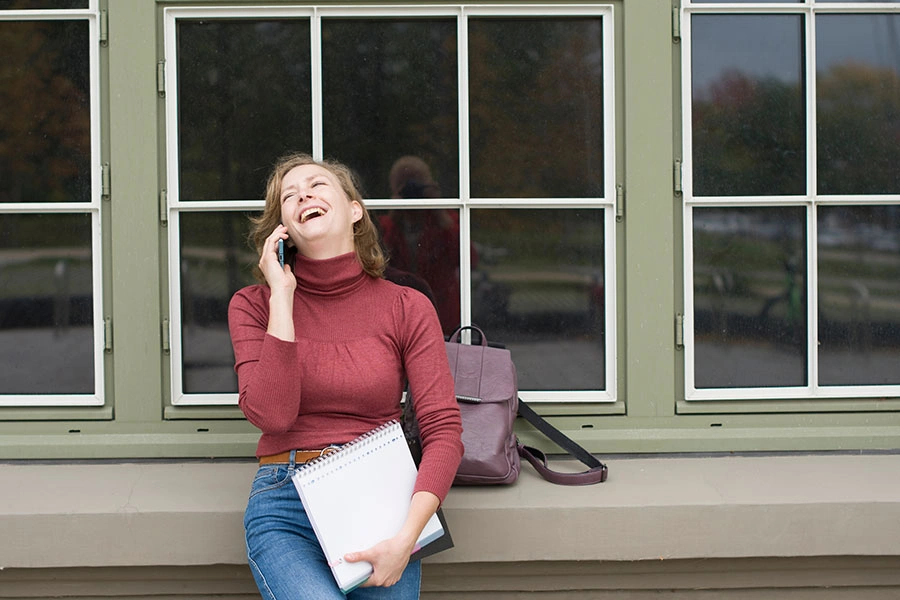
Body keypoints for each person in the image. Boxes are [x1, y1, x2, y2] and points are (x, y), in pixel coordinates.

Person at [228, 152, 464, 600]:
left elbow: (444, 430)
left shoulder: (406, 306)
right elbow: (273, 416)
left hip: (383, 504)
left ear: (355, 209)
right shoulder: (254, 305)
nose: (304, 196)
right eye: (289, 197)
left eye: (317, 185)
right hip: (285, 503)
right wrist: (282, 295)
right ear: (282, 229)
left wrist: (406, 538)